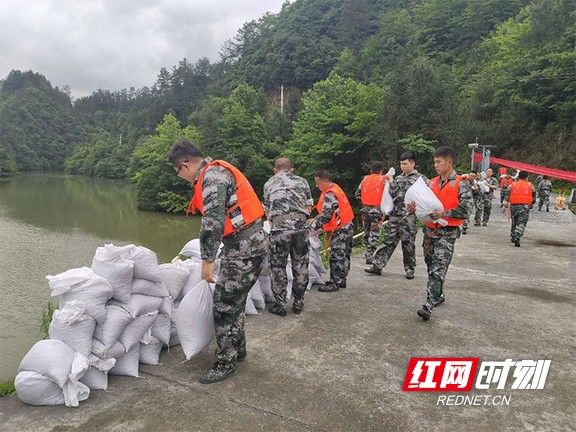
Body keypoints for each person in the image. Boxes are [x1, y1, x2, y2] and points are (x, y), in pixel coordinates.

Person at [168, 139, 268, 384]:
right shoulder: (218, 171)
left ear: (184, 165)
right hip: (249, 243)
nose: (180, 176)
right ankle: (238, 349)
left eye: (177, 171)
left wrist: (207, 260)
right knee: (234, 300)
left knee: (224, 306)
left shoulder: (211, 178)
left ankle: (226, 362)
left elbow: (212, 222)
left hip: (244, 248)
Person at [406, 146, 473, 321]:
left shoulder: (461, 183)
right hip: (429, 233)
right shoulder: (430, 183)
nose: (435, 165)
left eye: (438, 162)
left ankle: (428, 304)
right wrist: (413, 209)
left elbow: (466, 209)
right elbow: (422, 206)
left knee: (438, 268)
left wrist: (444, 214)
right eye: (434, 162)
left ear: (449, 162)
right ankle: (439, 294)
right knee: (431, 265)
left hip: (447, 233)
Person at [262, 158, 313, 316]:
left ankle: (281, 304)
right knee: (301, 265)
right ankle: (298, 302)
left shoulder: (269, 183)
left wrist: (276, 223)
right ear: (291, 169)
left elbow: (266, 209)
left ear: (275, 169)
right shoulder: (302, 181)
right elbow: (309, 206)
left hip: (280, 229)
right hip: (301, 228)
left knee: (278, 267)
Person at [364, 151, 427, 279]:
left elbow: (424, 196)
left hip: (409, 216)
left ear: (413, 164)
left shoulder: (421, 179)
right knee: (387, 241)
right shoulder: (398, 178)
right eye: (401, 164)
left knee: (408, 243)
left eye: (405, 163)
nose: (403, 166)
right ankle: (377, 265)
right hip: (395, 215)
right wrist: (391, 182)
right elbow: (392, 194)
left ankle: (410, 269)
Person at [308, 169, 354, 292]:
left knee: (336, 257)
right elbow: (329, 212)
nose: (317, 186)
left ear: (326, 181)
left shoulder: (329, 194)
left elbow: (326, 217)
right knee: (344, 255)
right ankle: (341, 280)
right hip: (348, 226)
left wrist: (312, 226)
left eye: (318, 183)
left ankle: (334, 284)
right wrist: (315, 219)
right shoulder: (336, 189)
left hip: (340, 230)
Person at [355, 162, 386, 265]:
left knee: (367, 231)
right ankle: (370, 254)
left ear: (371, 170)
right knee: (375, 232)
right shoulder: (383, 180)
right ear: (381, 171)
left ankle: (367, 251)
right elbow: (389, 195)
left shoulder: (365, 179)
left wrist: (365, 200)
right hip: (377, 210)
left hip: (365, 209)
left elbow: (357, 194)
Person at [502, 171, 536, 247]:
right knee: (521, 222)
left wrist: (504, 205)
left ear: (518, 177)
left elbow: (507, 195)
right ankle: (517, 236)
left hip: (514, 206)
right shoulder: (530, 185)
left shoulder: (512, 185)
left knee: (514, 221)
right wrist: (532, 204)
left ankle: (513, 236)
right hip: (524, 207)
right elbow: (534, 197)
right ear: (527, 177)